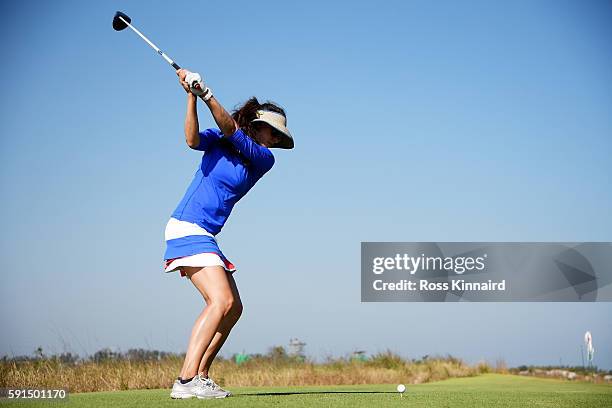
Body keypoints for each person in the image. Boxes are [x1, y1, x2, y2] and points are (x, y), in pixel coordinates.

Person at [165, 69, 294, 399]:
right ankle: (185, 379)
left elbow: (231, 129)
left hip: (205, 233)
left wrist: (205, 92)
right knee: (220, 300)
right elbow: (192, 140)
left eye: (279, 138)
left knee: (233, 307)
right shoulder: (221, 140)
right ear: (260, 125)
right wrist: (192, 95)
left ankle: (201, 375)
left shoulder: (262, 159)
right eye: (274, 133)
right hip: (188, 225)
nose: (276, 140)